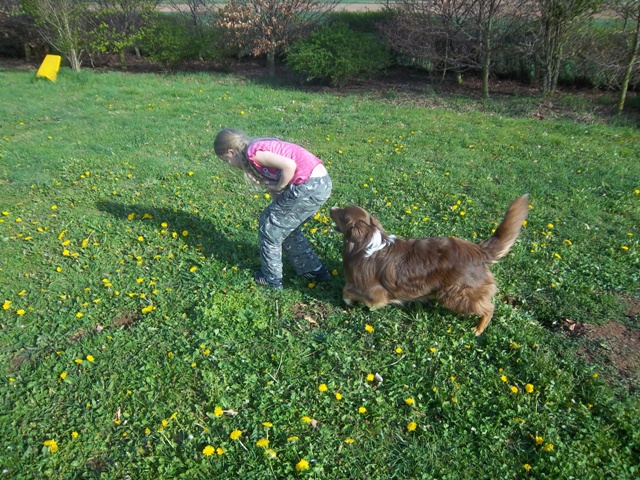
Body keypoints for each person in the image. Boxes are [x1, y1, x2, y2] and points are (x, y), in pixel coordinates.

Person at [214, 128, 333, 290]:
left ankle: (271, 279)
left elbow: (289, 166)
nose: (230, 165)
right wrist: (278, 196)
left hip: (309, 185)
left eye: (227, 161)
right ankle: (313, 270)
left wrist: (280, 186)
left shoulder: (254, 153)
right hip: (319, 183)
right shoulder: (259, 148)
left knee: (268, 227)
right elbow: (279, 183)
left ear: (231, 152)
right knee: (282, 226)